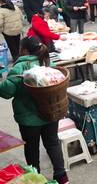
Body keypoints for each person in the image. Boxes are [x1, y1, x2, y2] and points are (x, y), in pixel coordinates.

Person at [0, 37, 69, 184]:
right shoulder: (49, 63)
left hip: (29, 119)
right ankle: (62, 177)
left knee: (31, 148)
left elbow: (6, 92)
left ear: (24, 50)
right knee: (52, 143)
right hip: (51, 114)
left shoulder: (19, 68)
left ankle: (36, 178)